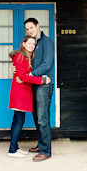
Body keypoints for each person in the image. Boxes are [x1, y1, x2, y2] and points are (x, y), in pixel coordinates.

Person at [8, 35, 51, 158]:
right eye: (29, 43)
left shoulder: (28, 57)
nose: (31, 45)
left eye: (33, 44)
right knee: (19, 121)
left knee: (17, 119)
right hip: (20, 92)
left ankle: (14, 147)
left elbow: (22, 73)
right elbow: (22, 77)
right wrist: (41, 80)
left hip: (23, 91)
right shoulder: (21, 56)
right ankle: (12, 150)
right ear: (24, 44)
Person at [24, 17, 54, 162]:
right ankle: (41, 144)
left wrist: (31, 75)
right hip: (34, 83)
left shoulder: (47, 42)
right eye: (27, 29)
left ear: (37, 26)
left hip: (44, 84)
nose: (30, 30)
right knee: (36, 116)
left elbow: (47, 64)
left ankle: (45, 151)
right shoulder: (33, 43)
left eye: (31, 27)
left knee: (43, 118)